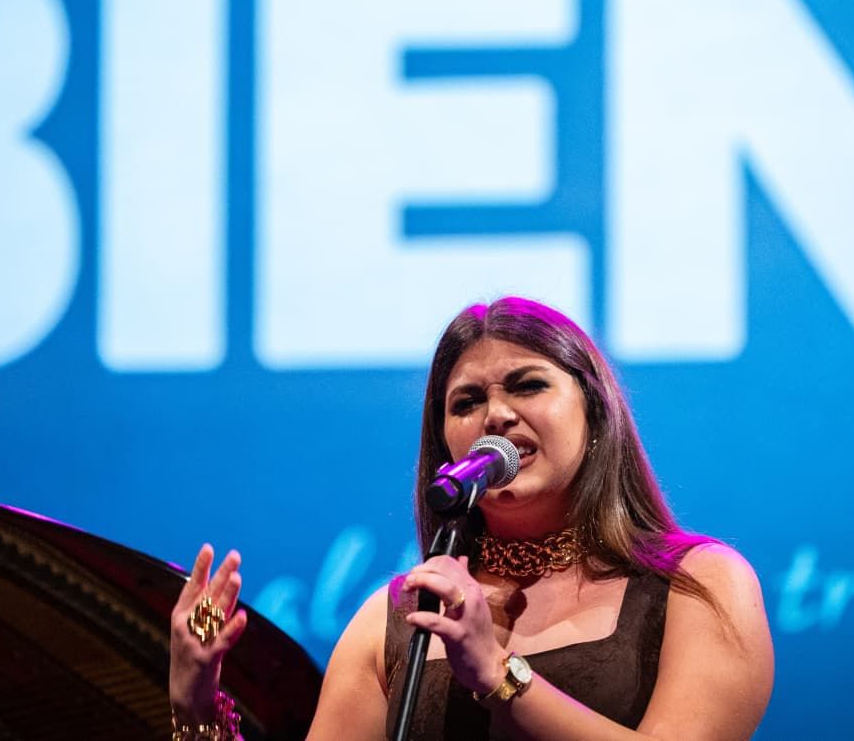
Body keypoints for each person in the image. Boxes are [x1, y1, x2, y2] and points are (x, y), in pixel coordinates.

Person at [169, 297, 774, 740]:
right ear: (445, 446)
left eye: (527, 386)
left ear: (595, 413)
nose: (496, 416)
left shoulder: (699, 584)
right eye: (468, 401)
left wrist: (499, 675)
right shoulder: (398, 618)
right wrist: (196, 710)